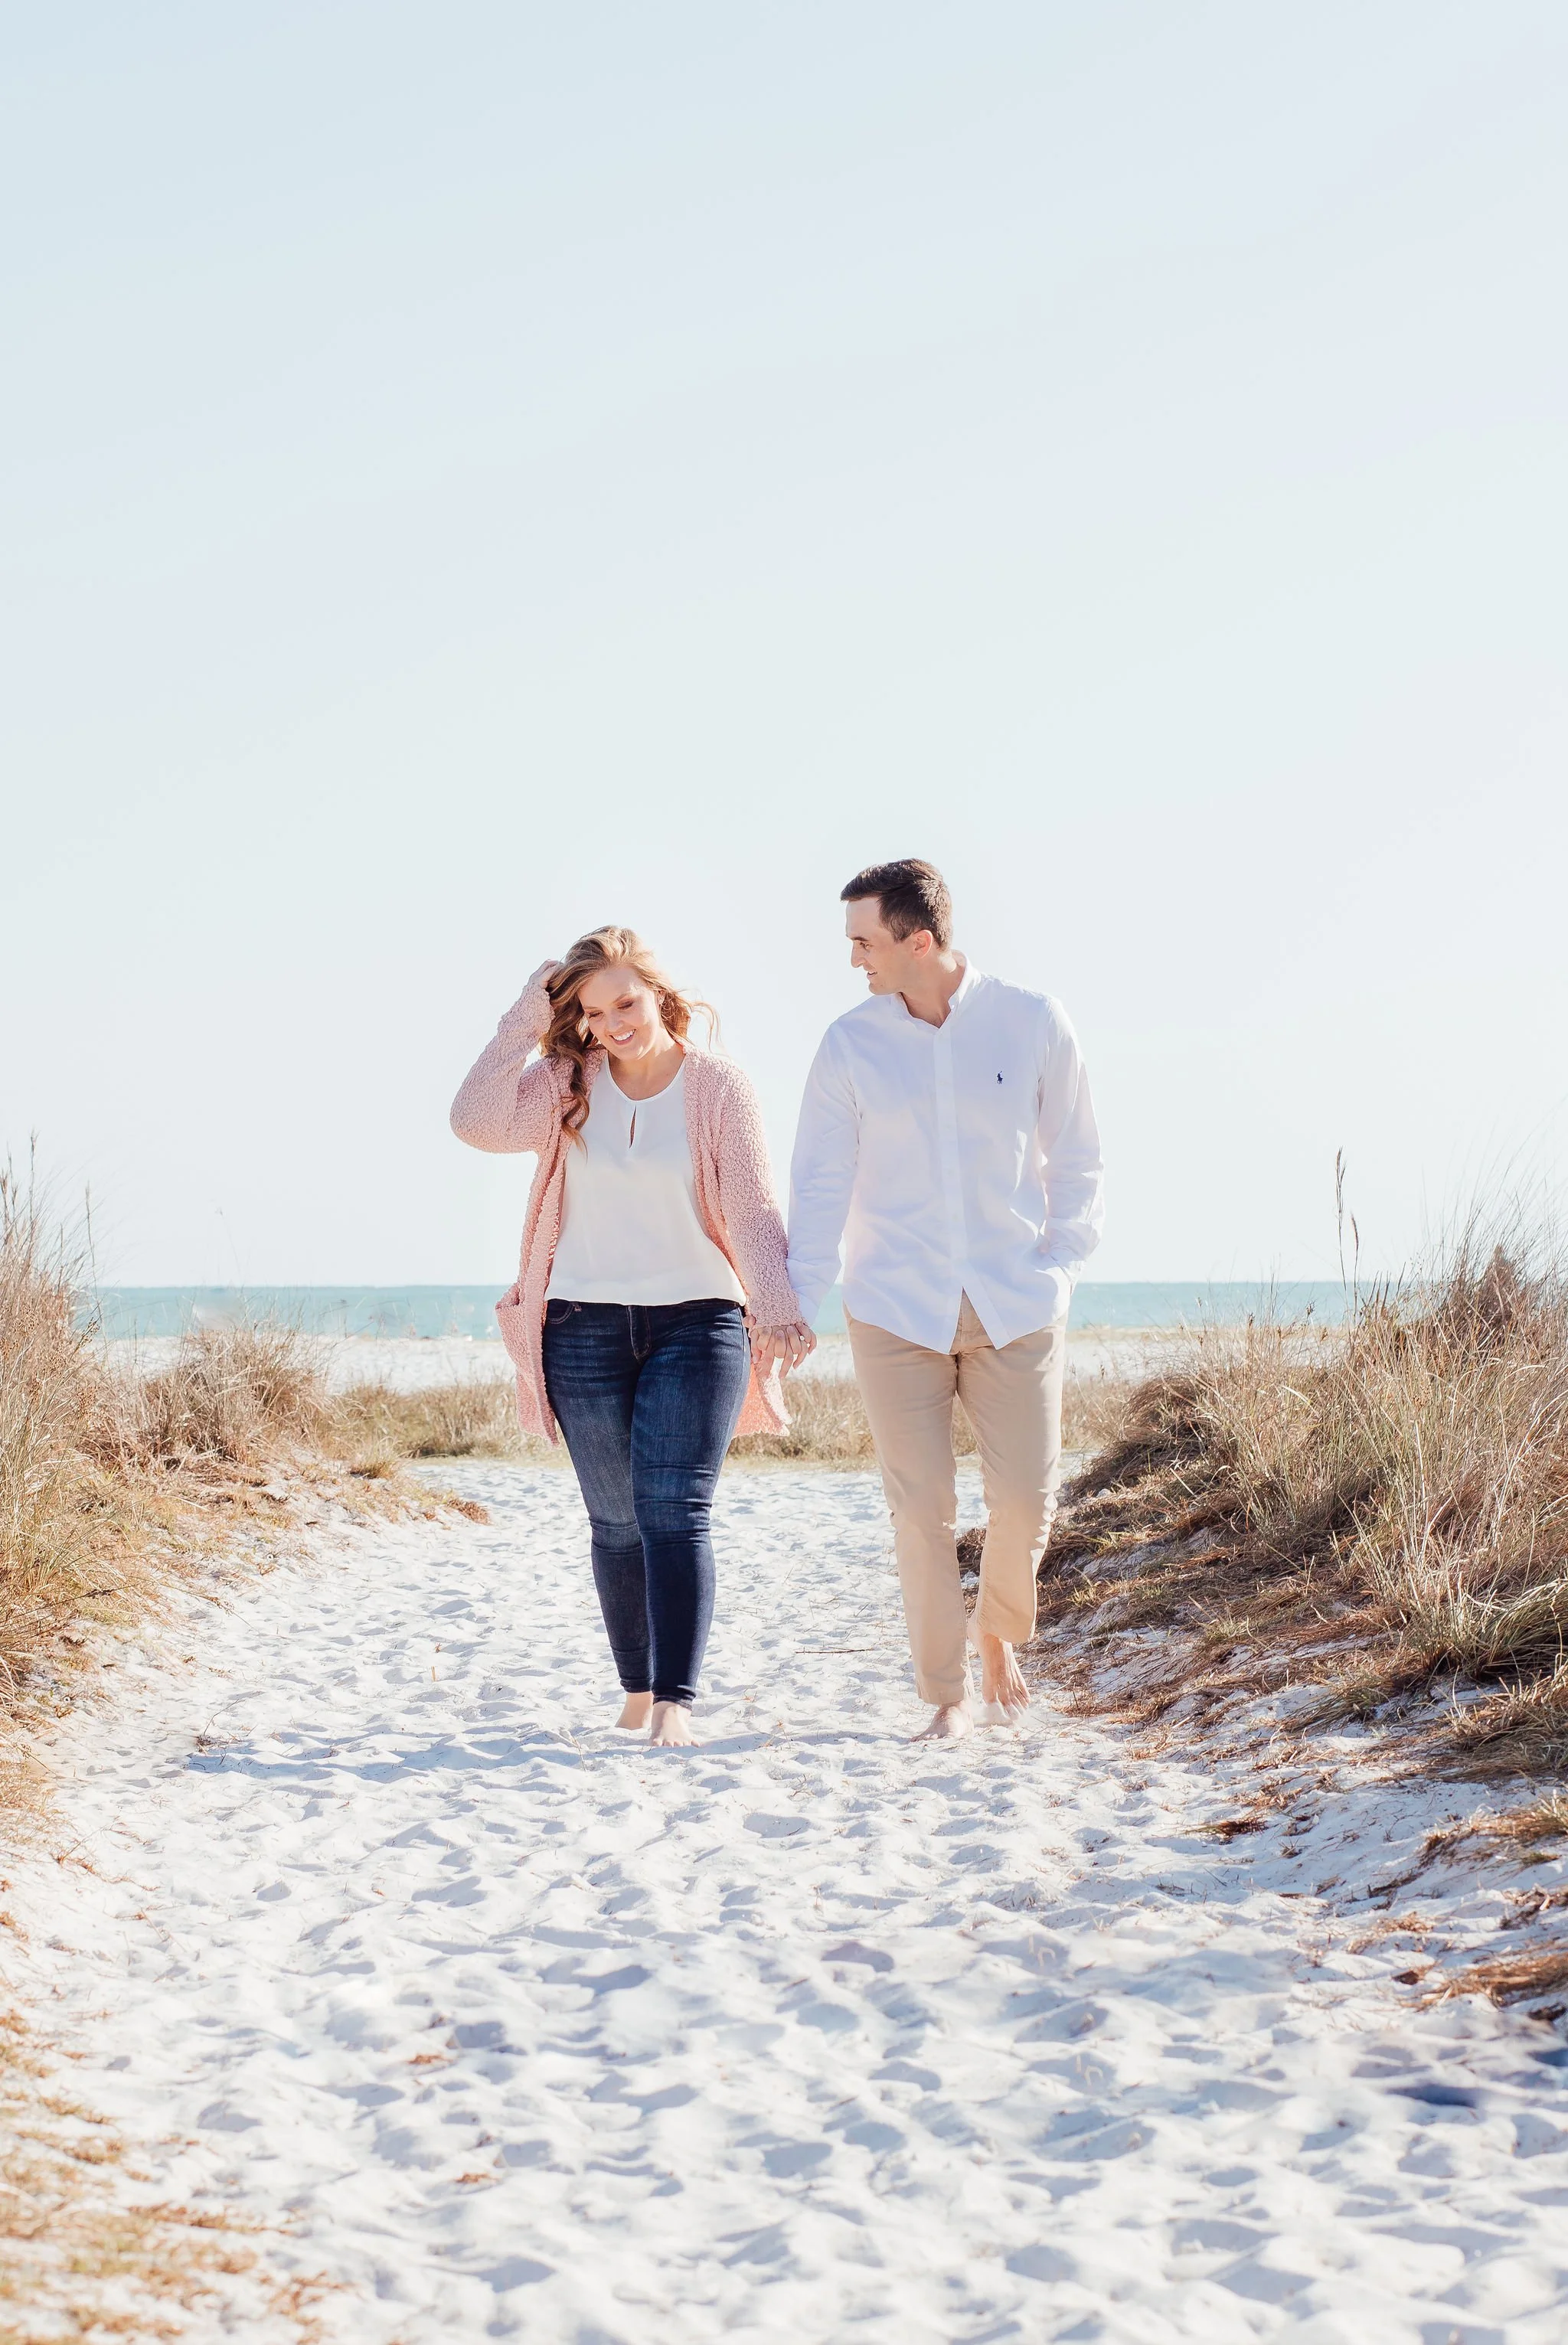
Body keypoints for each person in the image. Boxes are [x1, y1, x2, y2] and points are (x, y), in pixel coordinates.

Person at [451, 929, 815, 1746]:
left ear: (658, 994)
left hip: (700, 1320)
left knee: (674, 1511)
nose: (613, 1022)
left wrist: (776, 1300)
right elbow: (472, 1122)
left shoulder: (718, 1088)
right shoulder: (563, 1084)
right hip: (580, 1324)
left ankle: (675, 1702)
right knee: (613, 1521)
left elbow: (752, 1206)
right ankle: (636, 1688)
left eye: (625, 1002)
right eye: (591, 1010)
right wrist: (523, 1016)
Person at [786, 860, 1103, 1741]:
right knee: (919, 1507)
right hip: (893, 1306)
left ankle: (996, 1629)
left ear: (917, 940)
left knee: (1026, 1495)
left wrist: (1058, 1268)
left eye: (863, 941)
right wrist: (794, 1302)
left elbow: (1076, 1160)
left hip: (1016, 1301)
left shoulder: (1031, 1021)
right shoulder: (848, 1045)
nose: (854, 959)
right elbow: (818, 1183)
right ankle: (945, 1695)